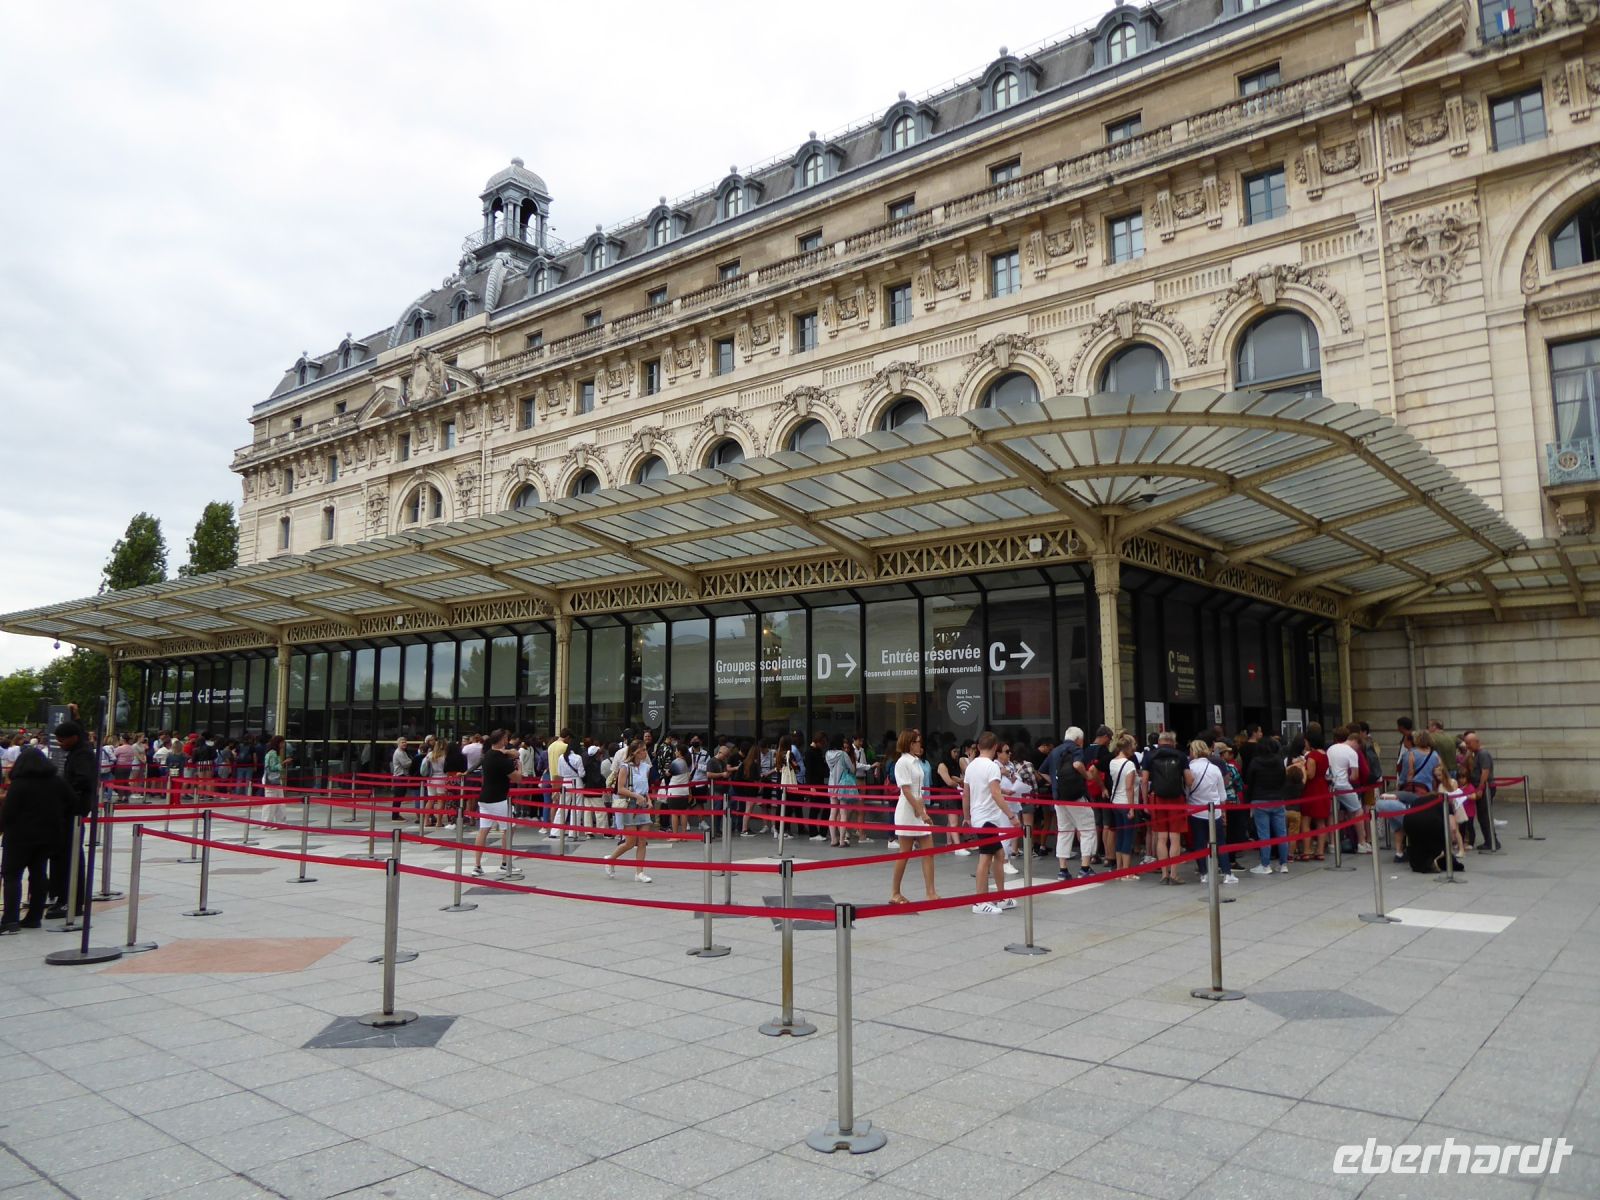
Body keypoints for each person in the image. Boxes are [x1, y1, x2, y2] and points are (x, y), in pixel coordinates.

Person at [1, 748, 70, 932]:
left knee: (12, 876)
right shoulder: (56, 781)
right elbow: (73, 802)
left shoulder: (19, 784)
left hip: (19, 838)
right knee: (39, 875)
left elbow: (8, 812)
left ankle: (10, 920)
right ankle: (34, 917)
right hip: (47, 836)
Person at [965, 732, 1015, 913]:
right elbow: (995, 793)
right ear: (995, 747)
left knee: (999, 855)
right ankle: (980, 901)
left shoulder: (971, 766)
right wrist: (1011, 815)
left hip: (980, 817)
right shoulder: (992, 767)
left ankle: (1000, 896)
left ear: (979, 747)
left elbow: (966, 793)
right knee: (986, 858)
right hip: (987, 818)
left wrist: (967, 816)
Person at [888, 729, 938, 905]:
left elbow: (917, 790)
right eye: (917, 741)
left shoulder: (916, 761)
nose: (920, 744)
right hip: (907, 811)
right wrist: (921, 812)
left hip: (917, 807)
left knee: (928, 851)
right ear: (910, 743)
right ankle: (895, 892)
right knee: (905, 852)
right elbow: (906, 791)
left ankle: (931, 892)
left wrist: (922, 808)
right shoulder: (903, 762)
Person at [1141, 731, 1190, 884]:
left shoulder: (1149, 756)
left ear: (1159, 742)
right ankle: (1174, 875)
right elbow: (1189, 780)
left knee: (1161, 838)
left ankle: (1164, 874)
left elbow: (1144, 781)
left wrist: (1145, 802)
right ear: (1173, 742)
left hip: (1157, 798)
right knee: (1175, 838)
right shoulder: (1181, 756)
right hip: (1176, 799)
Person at [603, 740, 655, 882]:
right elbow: (620, 789)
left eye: (645, 750)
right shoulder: (625, 767)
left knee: (643, 840)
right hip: (630, 804)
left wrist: (648, 799)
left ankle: (639, 872)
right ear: (634, 752)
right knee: (630, 842)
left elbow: (645, 787)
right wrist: (636, 796)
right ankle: (611, 859)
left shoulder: (646, 767)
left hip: (642, 804)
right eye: (642, 750)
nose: (645, 753)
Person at [1051, 726, 1098, 881]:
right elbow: (1077, 765)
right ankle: (1085, 868)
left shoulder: (1055, 751)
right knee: (1087, 829)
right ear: (1078, 740)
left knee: (1064, 831)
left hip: (1059, 797)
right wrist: (1087, 775)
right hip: (1076, 796)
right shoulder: (1076, 749)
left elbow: (1043, 771)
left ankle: (1062, 870)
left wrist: (1056, 785)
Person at [471, 730, 521, 875]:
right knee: (509, 828)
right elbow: (517, 778)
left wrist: (508, 752)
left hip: (485, 798)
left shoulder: (488, 755)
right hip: (498, 798)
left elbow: (512, 752)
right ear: (502, 739)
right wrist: (519, 767)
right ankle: (505, 862)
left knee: (484, 830)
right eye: (506, 738)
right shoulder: (501, 760)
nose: (507, 741)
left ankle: (477, 865)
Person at [1185, 739, 1233, 884]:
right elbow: (1222, 794)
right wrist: (1223, 812)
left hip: (1195, 810)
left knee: (1199, 842)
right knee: (1220, 843)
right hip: (1214, 811)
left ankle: (1204, 873)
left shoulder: (1189, 769)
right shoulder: (1214, 768)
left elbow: (1186, 791)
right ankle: (1227, 873)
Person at [1245, 735, 1291, 875]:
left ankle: (1265, 865)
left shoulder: (1255, 762)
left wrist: (1249, 799)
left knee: (1264, 834)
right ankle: (1283, 864)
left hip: (1259, 799)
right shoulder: (1279, 761)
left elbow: (1249, 781)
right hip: (1277, 799)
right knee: (1282, 833)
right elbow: (1283, 779)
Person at [1326, 725, 1366, 854]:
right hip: (1344, 785)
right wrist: (1347, 777)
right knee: (1358, 810)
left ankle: (1332, 844)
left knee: (1333, 813)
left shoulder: (1331, 748)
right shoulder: (1352, 752)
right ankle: (1361, 842)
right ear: (1356, 742)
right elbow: (1355, 776)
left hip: (1331, 784)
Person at [1105, 734, 1140, 879]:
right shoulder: (1129, 764)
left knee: (1120, 835)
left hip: (1115, 802)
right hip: (1126, 803)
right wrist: (1132, 808)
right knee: (1128, 836)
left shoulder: (1112, 762)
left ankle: (1119, 869)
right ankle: (1126, 871)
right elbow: (1129, 787)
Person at [1463, 731, 1501, 851]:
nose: (1467, 746)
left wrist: (1480, 788)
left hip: (1485, 788)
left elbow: (1485, 771)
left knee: (1484, 816)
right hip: (1482, 787)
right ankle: (1490, 841)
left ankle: (1491, 842)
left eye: (1469, 743)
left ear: (1476, 742)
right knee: (1483, 815)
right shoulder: (1475, 754)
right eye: (1466, 743)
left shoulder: (1483, 754)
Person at [825, 734, 856, 848]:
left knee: (833, 813)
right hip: (842, 787)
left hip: (832, 785)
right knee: (843, 813)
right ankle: (842, 840)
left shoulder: (827, 754)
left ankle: (833, 839)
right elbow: (852, 769)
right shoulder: (843, 754)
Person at [261, 735, 288, 825]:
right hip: (271, 780)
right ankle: (267, 823)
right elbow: (272, 767)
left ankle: (280, 822)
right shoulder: (272, 753)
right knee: (271, 803)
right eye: (282, 742)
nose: (283, 745)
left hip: (275, 780)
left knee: (279, 802)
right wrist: (283, 763)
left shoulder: (274, 753)